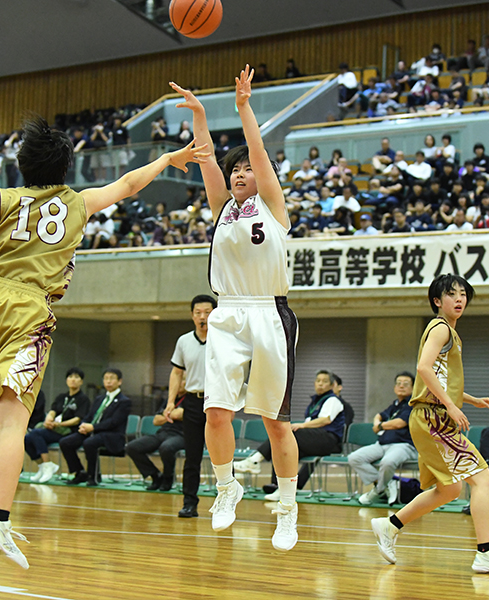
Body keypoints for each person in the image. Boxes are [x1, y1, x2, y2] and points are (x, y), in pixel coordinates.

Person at [0, 115, 205, 569]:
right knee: (11, 422)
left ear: (23, 164)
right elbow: (130, 184)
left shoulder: (2, 199)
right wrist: (168, 157)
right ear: (65, 167)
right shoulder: (78, 202)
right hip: (29, 308)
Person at [171, 65, 300, 552]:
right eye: (236, 169)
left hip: (270, 313)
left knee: (276, 423)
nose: (240, 173)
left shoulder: (273, 205)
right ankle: (226, 488)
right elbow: (206, 156)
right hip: (228, 313)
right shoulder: (223, 208)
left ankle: (287, 508)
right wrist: (200, 115)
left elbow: (260, 152)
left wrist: (244, 108)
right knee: (216, 413)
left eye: (247, 168)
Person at [371, 274, 489, 574]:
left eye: (463, 294)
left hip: (431, 417)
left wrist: (470, 399)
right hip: (432, 419)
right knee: (483, 479)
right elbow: (423, 368)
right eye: (452, 294)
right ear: (437, 301)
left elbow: (435, 379)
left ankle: (390, 525)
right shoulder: (441, 328)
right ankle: (485, 553)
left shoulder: (448, 332)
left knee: (449, 489)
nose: (459, 299)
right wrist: (452, 406)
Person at [233, 370, 345, 501]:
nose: (320, 384)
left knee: (287, 435)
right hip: (314, 440)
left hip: (328, 441)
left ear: (331, 385)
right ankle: (280, 488)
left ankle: (255, 460)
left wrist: (302, 426)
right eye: (318, 381)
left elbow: (325, 420)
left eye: (325, 381)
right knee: (283, 449)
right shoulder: (315, 402)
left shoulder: (333, 400)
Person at [163, 294, 215, 518]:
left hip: (217, 402)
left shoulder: (224, 339)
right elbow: (177, 373)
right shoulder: (184, 341)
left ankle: (226, 503)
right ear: (192, 315)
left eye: (207, 312)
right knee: (192, 456)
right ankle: (189, 503)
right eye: (198, 313)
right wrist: (170, 401)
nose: (203, 317)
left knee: (221, 456)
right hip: (193, 402)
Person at [349, 372, 418, 506]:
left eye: (406, 384)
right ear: (394, 387)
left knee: (387, 462)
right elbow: (379, 415)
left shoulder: (414, 404)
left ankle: (378, 490)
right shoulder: (395, 404)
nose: (401, 386)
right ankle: (388, 484)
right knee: (354, 458)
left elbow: (400, 423)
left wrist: (380, 426)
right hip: (382, 444)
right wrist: (376, 423)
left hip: (403, 445)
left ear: (413, 388)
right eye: (398, 383)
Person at [59, 368, 131, 486]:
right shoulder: (99, 399)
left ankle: (94, 475)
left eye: (112, 379)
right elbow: (89, 416)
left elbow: (113, 422)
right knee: (65, 442)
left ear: (119, 381)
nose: (108, 381)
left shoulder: (124, 401)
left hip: (112, 435)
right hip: (93, 432)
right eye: (106, 379)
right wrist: (83, 425)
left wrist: (93, 427)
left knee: (90, 443)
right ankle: (79, 472)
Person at [25, 367, 90, 484]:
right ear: (66, 380)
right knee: (27, 439)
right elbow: (53, 411)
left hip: (70, 431)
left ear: (81, 381)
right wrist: (48, 420)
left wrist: (58, 424)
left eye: (76, 377)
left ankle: (47, 465)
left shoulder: (83, 399)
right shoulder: (61, 397)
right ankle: (43, 466)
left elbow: (77, 420)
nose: (73, 380)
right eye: (70, 377)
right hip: (56, 430)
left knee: (37, 433)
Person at [126, 387, 185, 492]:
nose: (179, 384)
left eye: (182, 380)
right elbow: (156, 421)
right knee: (132, 447)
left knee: (166, 447)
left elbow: (180, 414)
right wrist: (171, 415)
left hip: (182, 435)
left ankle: (168, 478)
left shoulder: (191, 400)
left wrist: (166, 415)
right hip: (163, 433)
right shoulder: (170, 400)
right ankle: (155, 475)